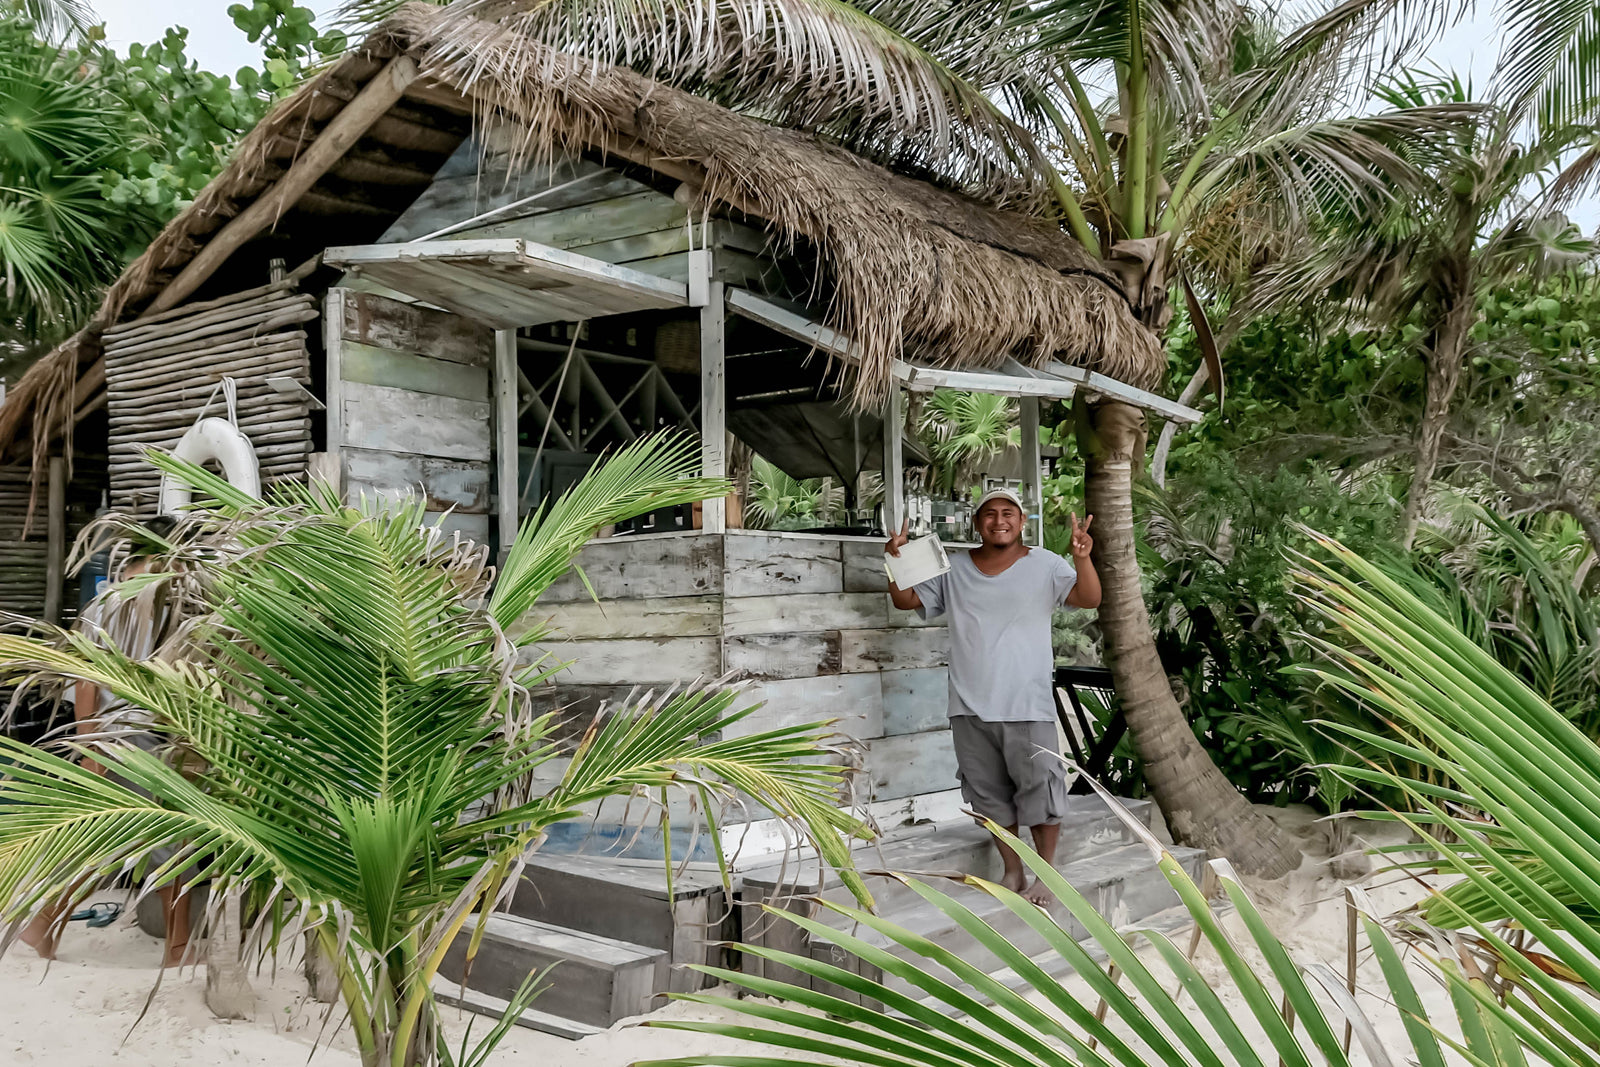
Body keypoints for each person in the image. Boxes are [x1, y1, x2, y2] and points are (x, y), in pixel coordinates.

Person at [886, 488, 1101, 906]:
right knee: (987, 794)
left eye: (1008, 513)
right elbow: (906, 601)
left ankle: (1046, 873)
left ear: (1022, 523)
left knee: (1040, 788)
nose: (998, 520)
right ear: (976, 523)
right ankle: (1013, 869)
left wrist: (1081, 557)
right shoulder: (954, 568)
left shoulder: (1045, 565)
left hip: (1026, 701)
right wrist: (895, 564)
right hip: (968, 704)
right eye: (989, 513)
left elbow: (1089, 598)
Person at [20, 516, 194, 966]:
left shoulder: (102, 603)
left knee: (101, 841)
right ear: (165, 555)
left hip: (108, 734)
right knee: (168, 842)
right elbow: (94, 678)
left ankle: (44, 927)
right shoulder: (155, 603)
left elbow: (84, 680)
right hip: (136, 738)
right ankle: (177, 950)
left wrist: (88, 742)